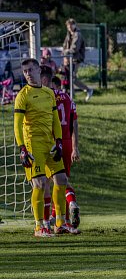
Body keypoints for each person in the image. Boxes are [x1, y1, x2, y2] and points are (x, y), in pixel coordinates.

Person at [13, 59, 79, 237]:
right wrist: (22, 148)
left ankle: (60, 223)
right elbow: (17, 125)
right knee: (40, 183)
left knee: (61, 179)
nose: (27, 74)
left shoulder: (49, 93)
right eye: (24, 71)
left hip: (50, 143)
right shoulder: (22, 95)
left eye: (30, 70)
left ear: (38, 70)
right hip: (32, 144)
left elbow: (56, 120)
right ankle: (39, 226)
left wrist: (58, 141)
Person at [40, 66, 81, 229]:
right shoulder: (68, 98)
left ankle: (53, 218)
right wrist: (75, 147)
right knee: (62, 181)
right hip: (67, 141)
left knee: (48, 182)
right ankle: (63, 216)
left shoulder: (45, 97)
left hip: (51, 141)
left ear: (45, 80)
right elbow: (74, 122)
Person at [62, 18, 93, 101]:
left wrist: (65, 53)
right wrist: (65, 57)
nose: (70, 28)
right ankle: (71, 97)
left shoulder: (77, 35)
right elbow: (64, 46)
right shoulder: (69, 34)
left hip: (76, 59)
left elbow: (74, 49)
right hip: (69, 59)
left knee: (72, 78)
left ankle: (88, 90)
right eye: (68, 27)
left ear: (74, 25)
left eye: (71, 26)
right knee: (69, 78)